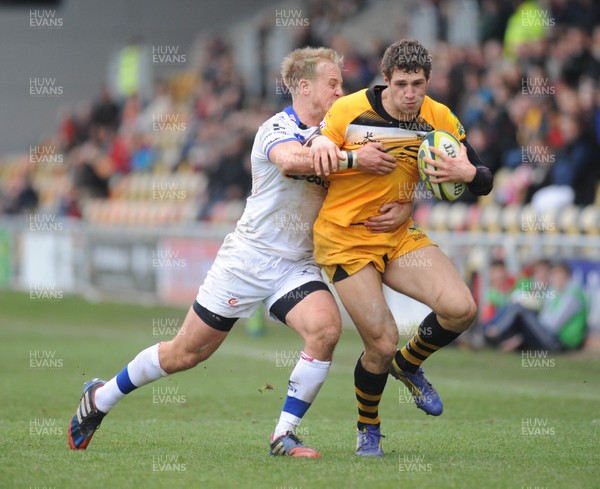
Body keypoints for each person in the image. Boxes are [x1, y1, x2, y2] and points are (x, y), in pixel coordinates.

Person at [67, 46, 410, 458]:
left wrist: (405, 199)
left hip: (295, 264)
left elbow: (382, 170)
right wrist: (353, 158)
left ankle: (283, 435)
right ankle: (100, 398)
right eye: (332, 83)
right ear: (304, 86)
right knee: (186, 353)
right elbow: (291, 162)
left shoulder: (341, 132)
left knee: (325, 329)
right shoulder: (275, 129)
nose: (341, 91)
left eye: (341, 83)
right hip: (247, 259)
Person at [310, 39, 493, 457]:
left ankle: (408, 365)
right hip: (346, 238)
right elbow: (313, 155)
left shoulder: (438, 116)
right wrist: (327, 148)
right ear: (386, 80)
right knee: (381, 341)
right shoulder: (348, 111)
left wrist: (466, 171)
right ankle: (368, 427)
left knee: (461, 308)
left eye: (419, 84)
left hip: (398, 235)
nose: (411, 94)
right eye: (403, 84)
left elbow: (482, 177)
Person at [485, 260, 588, 352]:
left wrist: (534, 319)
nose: (556, 280)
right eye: (554, 276)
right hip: (554, 337)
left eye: (559, 276)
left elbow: (553, 325)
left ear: (567, 277)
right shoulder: (555, 292)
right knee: (517, 308)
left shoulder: (573, 296)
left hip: (561, 343)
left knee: (520, 309)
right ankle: (493, 334)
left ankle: (493, 333)